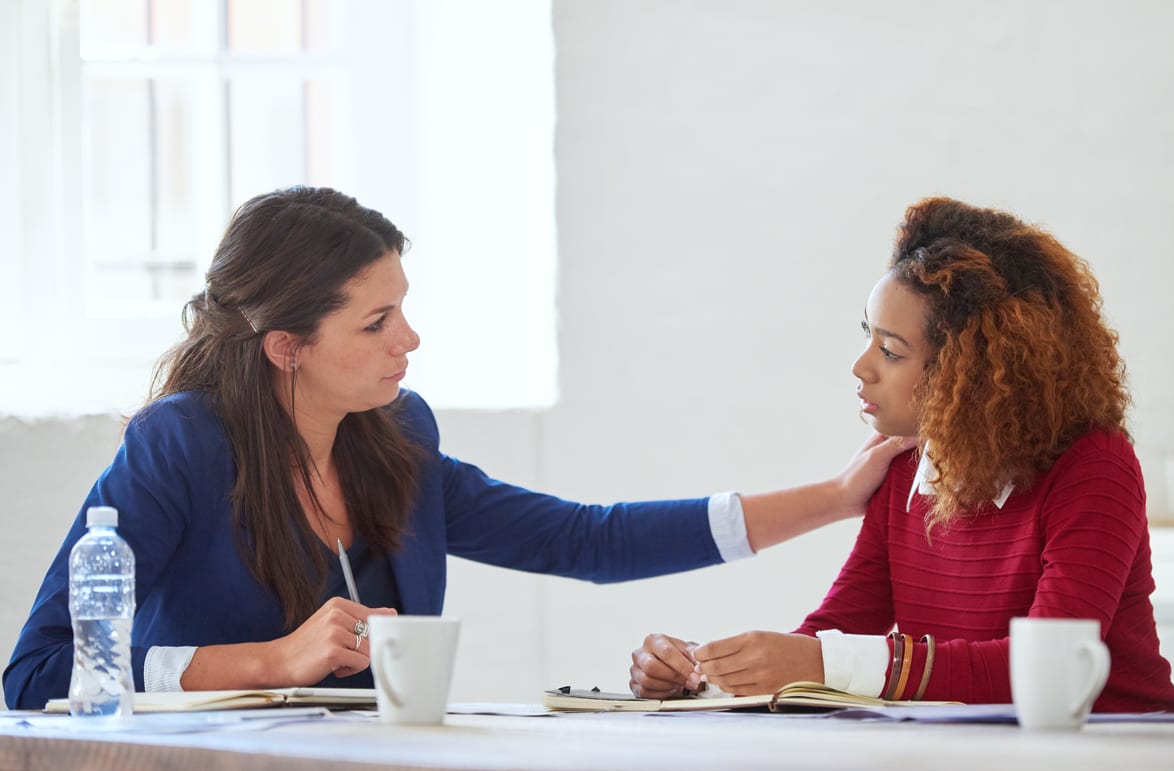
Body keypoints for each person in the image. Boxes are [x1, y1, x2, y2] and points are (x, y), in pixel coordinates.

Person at [3, 186, 912, 711]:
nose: (410, 339)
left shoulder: (394, 435)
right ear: (287, 346)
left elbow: (583, 539)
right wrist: (273, 658)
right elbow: (38, 670)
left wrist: (837, 496)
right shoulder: (180, 447)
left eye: (403, 307)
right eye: (376, 320)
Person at [630, 196, 1174, 713]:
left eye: (891, 351)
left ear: (965, 373)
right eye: (868, 337)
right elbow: (834, 635)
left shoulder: (1095, 466)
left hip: (1129, 762)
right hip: (987, 769)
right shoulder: (903, 471)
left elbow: (1046, 668)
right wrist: (703, 673)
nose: (860, 367)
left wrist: (825, 663)